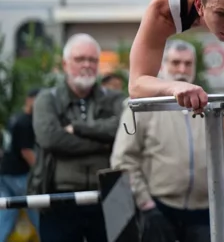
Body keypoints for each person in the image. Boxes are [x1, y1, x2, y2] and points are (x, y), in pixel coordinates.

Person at [111, 40, 211, 242]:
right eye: (175, 63)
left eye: (187, 63)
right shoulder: (143, 106)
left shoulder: (207, 105)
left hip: (204, 212)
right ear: (163, 65)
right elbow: (123, 160)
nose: (182, 69)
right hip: (159, 209)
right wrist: (145, 203)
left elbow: (221, 158)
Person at [30, 34, 125, 241]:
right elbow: (50, 139)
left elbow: (125, 129)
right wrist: (103, 142)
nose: (87, 65)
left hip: (108, 198)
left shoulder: (116, 99)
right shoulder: (47, 100)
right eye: (80, 59)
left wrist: (79, 129)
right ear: (65, 64)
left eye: (92, 60)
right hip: (59, 198)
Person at [0, 89, 39, 241]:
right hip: (19, 174)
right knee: (37, 208)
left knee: (6, 213)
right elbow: (26, 151)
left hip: (5, 172)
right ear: (30, 100)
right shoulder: (26, 121)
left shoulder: (15, 117)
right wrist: (40, 171)